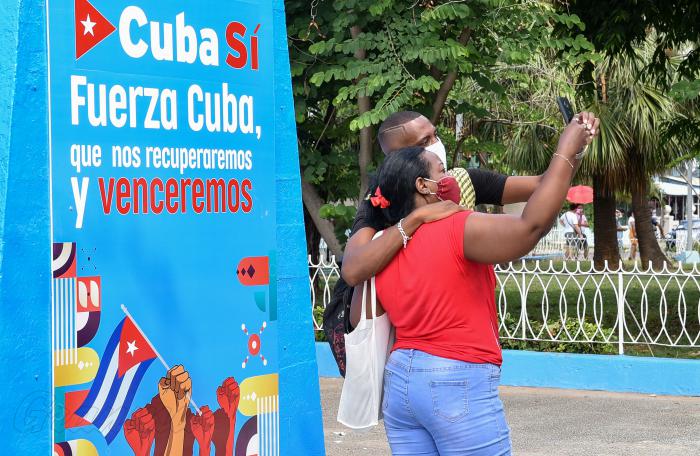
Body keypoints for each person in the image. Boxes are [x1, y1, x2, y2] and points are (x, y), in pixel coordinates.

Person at [351, 112, 598, 455]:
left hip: (402, 381)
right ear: (422, 185)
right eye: (440, 171)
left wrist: (573, 153)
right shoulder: (456, 226)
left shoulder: (381, 242)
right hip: (455, 377)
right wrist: (564, 149)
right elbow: (531, 227)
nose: (450, 177)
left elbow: (360, 303)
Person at [324, 111, 548, 375]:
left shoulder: (460, 180)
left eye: (434, 135)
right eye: (424, 142)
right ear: (400, 158)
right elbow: (353, 270)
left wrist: (572, 154)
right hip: (398, 338)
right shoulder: (378, 199)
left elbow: (541, 184)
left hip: (455, 336)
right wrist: (415, 219)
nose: (436, 144)